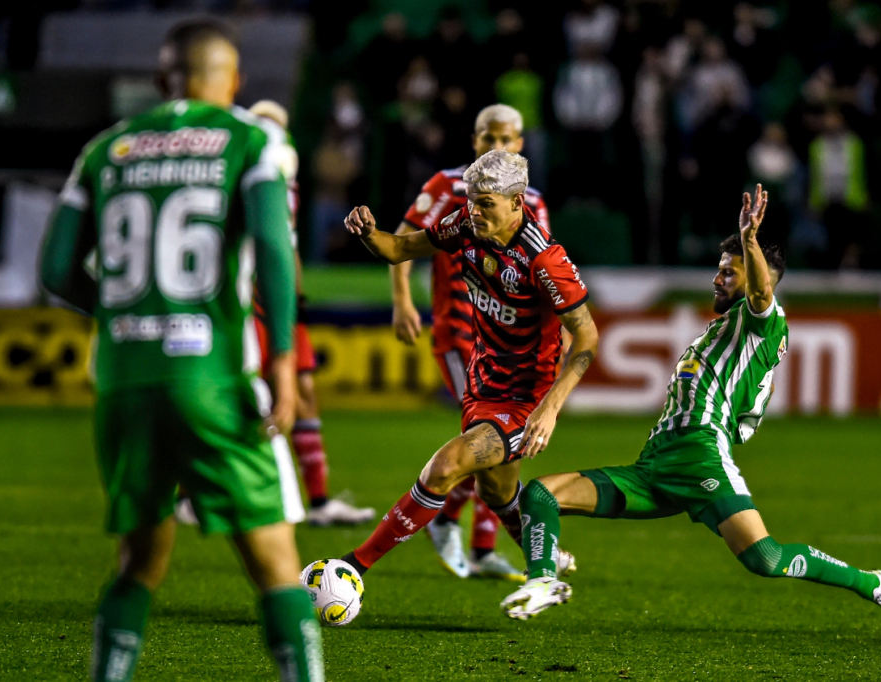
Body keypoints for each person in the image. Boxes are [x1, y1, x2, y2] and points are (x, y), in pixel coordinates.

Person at [500, 185, 881, 630]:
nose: (716, 278)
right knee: (539, 494)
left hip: (700, 450)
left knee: (765, 558)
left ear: (754, 276)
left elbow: (762, 293)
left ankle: (870, 583)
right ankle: (543, 580)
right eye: (719, 269)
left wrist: (749, 239)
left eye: (728, 271)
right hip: (657, 463)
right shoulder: (720, 330)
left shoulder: (761, 321)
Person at [39, 20, 324, 681]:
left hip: (124, 381)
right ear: (235, 82)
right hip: (213, 377)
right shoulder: (251, 140)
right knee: (277, 563)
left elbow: (56, 271)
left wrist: (126, 313)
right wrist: (282, 361)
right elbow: (275, 250)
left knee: (138, 560)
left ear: (163, 78)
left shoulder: (107, 148)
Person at [342, 150, 597, 583]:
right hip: (482, 385)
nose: (474, 211)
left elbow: (587, 336)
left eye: (486, 203)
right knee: (496, 491)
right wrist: (369, 234)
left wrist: (549, 409)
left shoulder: (545, 260)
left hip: (524, 399)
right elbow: (400, 248)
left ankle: (351, 567)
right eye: (472, 200)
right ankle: (546, 559)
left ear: (517, 203)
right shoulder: (466, 224)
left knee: (444, 468)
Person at [391, 104, 550, 580]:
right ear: (474, 140)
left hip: (512, 345)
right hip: (463, 332)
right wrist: (402, 302)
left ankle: (477, 545)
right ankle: (450, 524)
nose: (497, 147)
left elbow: (543, 275)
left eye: (506, 139)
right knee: (489, 438)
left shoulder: (532, 201)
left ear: (520, 144)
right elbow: (403, 240)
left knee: (502, 445)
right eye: (487, 138)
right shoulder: (448, 186)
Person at [248, 99, 375, 528]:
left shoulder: (284, 181)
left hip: (284, 301)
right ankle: (193, 492)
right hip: (248, 299)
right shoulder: (243, 176)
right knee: (247, 394)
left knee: (304, 394)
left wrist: (297, 295)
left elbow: (287, 245)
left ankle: (318, 501)